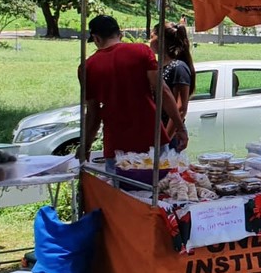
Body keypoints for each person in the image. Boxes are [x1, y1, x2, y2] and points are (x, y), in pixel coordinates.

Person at [81, 15, 189, 170]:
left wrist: (86, 147)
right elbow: (163, 91)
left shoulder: (87, 67)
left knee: (120, 192)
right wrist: (180, 127)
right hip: (152, 139)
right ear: (120, 34)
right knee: (161, 187)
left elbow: (93, 114)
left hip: (116, 144)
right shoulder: (141, 51)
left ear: (96, 38)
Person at [150, 21, 195, 150]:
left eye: (152, 36)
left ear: (161, 40)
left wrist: (165, 140)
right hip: (156, 132)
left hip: (168, 135)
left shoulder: (178, 67)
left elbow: (180, 108)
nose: (149, 40)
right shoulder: (157, 67)